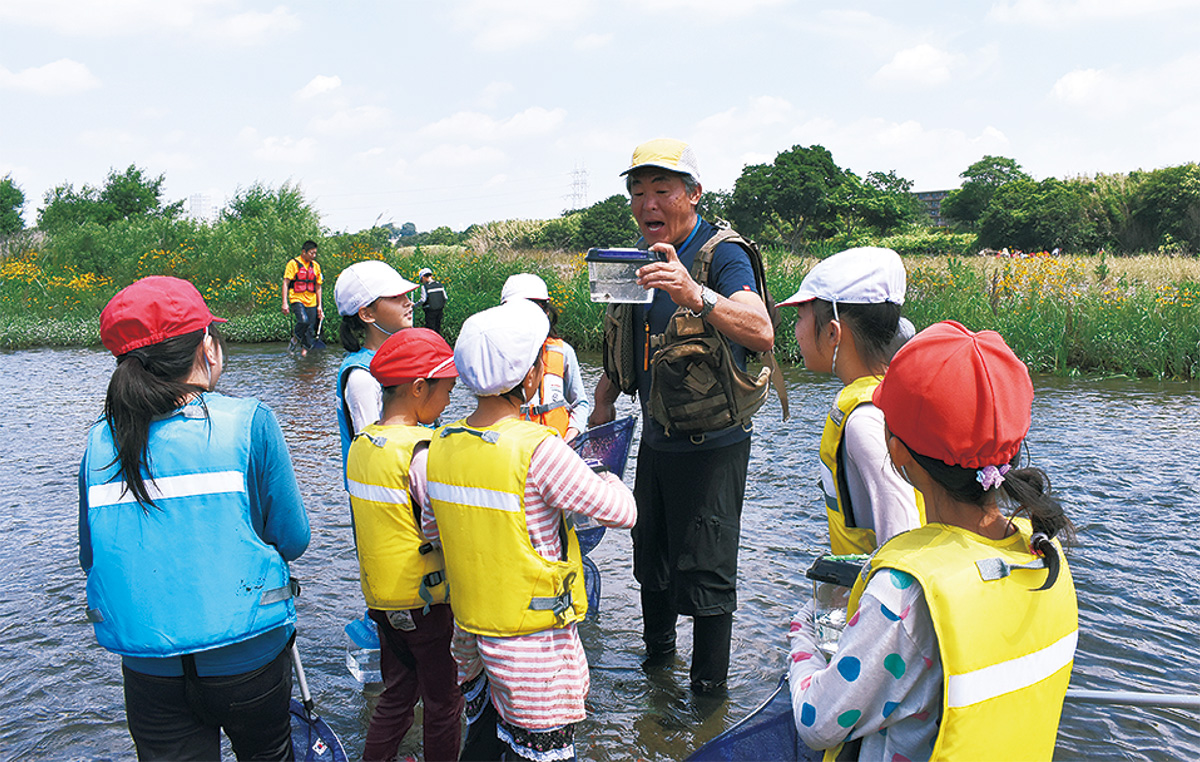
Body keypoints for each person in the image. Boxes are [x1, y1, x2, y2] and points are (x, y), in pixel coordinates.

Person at [787, 321, 1078, 761]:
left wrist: (802, 636)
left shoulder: (905, 592)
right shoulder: (1043, 552)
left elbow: (818, 720)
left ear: (898, 450)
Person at [79, 276, 310, 761]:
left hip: (149, 666)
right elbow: (292, 539)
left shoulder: (99, 440)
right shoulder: (248, 421)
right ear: (207, 346)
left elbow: (90, 556)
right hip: (247, 655)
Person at [590, 138, 775, 695]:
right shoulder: (638, 260)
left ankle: (707, 700)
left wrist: (697, 294)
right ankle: (657, 679)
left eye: (662, 191)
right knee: (653, 568)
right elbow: (632, 352)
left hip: (714, 444)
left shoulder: (722, 255)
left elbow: (762, 329)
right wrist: (601, 405)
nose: (648, 204)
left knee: (710, 577)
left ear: (693, 194)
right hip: (657, 439)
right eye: (638, 193)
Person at [424, 299, 637, 761]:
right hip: (534, 648)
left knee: (482, 743)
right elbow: (621, 512)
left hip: (473, 637)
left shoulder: (439, 445)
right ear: (531, 376)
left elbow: (432, 528)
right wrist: (607, 476)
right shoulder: (539, 451)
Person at [346, 328, 463, 762]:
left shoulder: (363, 443)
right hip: (427, 602)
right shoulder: (421, 451)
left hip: (382, 599)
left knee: (396, 693)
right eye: (446, 390)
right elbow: (441, 524)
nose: (449, 401)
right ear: (419, 388)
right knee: (443, 702)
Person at [778, 247, 924, 555]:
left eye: (800, 317)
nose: (795, 330)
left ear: (833, 333)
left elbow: (902, 534)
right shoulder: (887, 395)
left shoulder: (865, 420)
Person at [334, 260, 420, 482]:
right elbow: (374, 452)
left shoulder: (402, 359)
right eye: (395, 298)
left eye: (406, 295)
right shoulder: (362, 376)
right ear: (367, 314)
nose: (408, 303)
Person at [500, 272, 590, 443]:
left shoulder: (563, 351)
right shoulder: (499, 352)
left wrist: (569, 438)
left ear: (546, 312)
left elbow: (581, 403)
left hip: (558, 445)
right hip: (513, 447)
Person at [282, 240, 324, 356]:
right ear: (303, 252)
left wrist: (319, 306)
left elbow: (318, 287)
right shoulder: (293, 264)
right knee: (303, 321)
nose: (313, 256)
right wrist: (285, 303)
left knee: (310, 330)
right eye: (311, 253)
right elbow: (285, 283)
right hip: (297, 298)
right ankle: (295, 338)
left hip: (312, 301)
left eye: (315, 253)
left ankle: (304, 355)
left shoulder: (316, 266)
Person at [416, 267, 447, 335]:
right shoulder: (440, 285)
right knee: (437, 328)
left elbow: (423, 300)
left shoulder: (424, 287)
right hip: (439, 309)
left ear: (423, 277)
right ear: (431, 276)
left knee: (430, 330)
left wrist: (415, 305)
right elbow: (445, 298)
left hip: (430, 311)